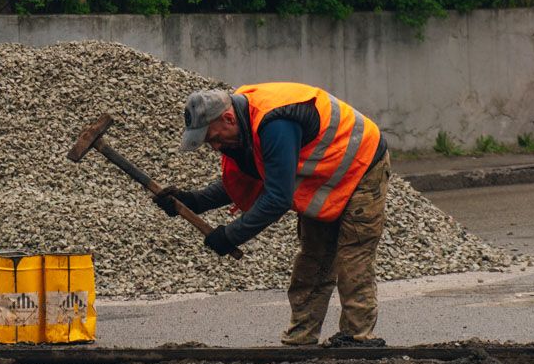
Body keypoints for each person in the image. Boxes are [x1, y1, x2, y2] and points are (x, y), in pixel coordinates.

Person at [156, 85, 391, 347]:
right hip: (323, 175)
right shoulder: (243, 127)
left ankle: (357, 337)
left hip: (361, 163)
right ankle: (301, 338)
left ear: (228, 118)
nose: (214, 147)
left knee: (352, 255)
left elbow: (277, 198)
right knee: (314, 256)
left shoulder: (275, 124)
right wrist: (193, 201)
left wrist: (230, 235)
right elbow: (248, 177)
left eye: (213, 138)